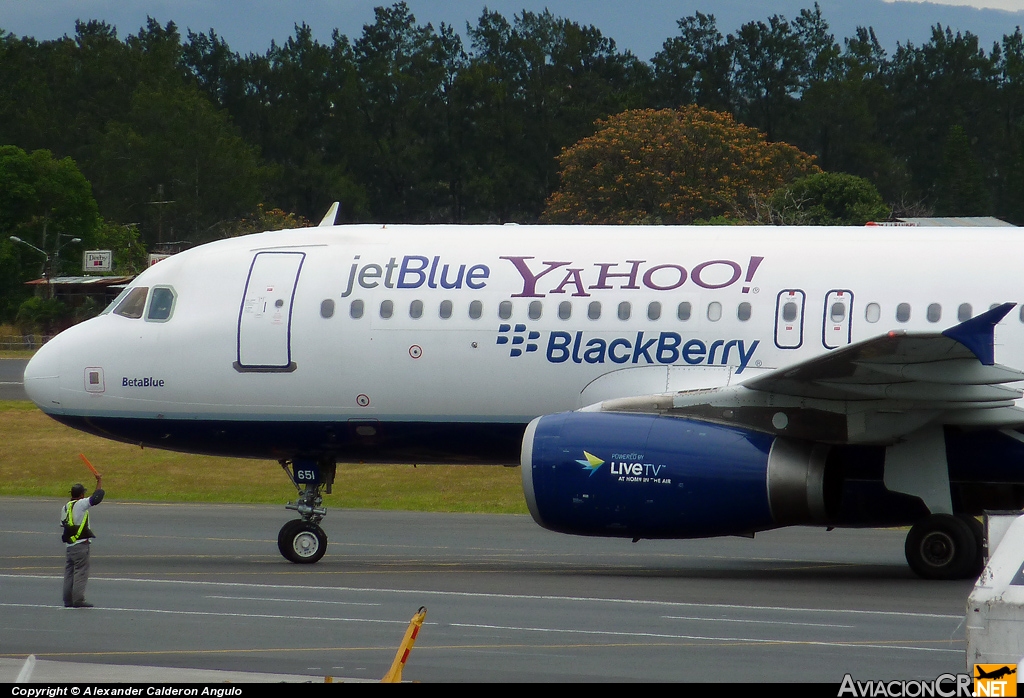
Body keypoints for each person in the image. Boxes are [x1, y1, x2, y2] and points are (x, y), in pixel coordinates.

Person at [61, 473, 104, 608]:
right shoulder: (81, 504)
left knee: (69, 573)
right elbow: (96, 497)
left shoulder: (65, 507)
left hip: (70, 546)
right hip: (81, 545)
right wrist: (99, 481)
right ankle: (78, 599)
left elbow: (64, 525)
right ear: (81, 495)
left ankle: (68, 600)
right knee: (81, 572)